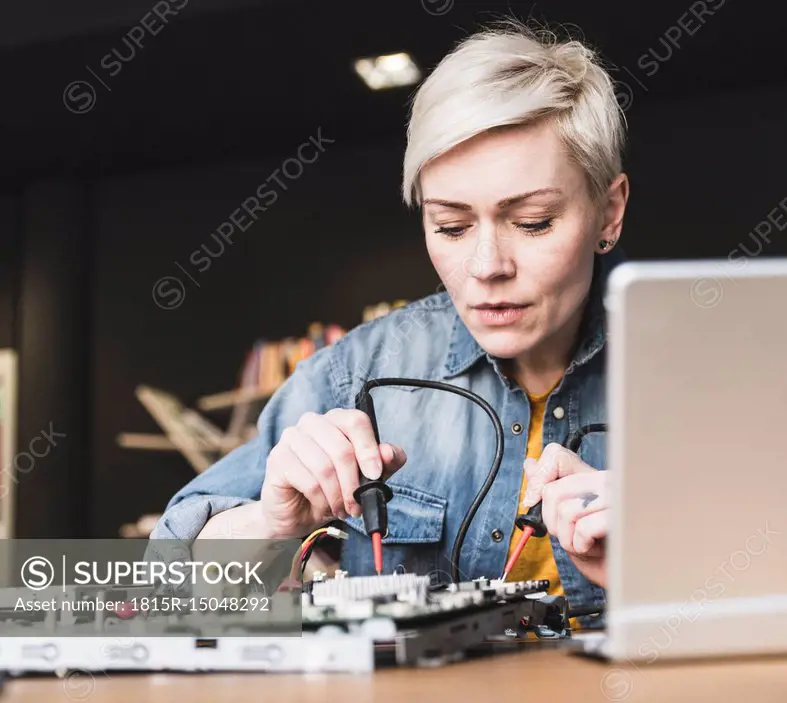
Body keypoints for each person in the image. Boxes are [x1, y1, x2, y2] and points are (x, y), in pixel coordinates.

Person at [150, 19, 629, 622]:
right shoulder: (358, 372)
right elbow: (163, 584)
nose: (485, 266)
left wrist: (667, 561)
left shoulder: (710, 374)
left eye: (533, 222)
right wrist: (269, 526)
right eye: (451, 226)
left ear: (608, 213)